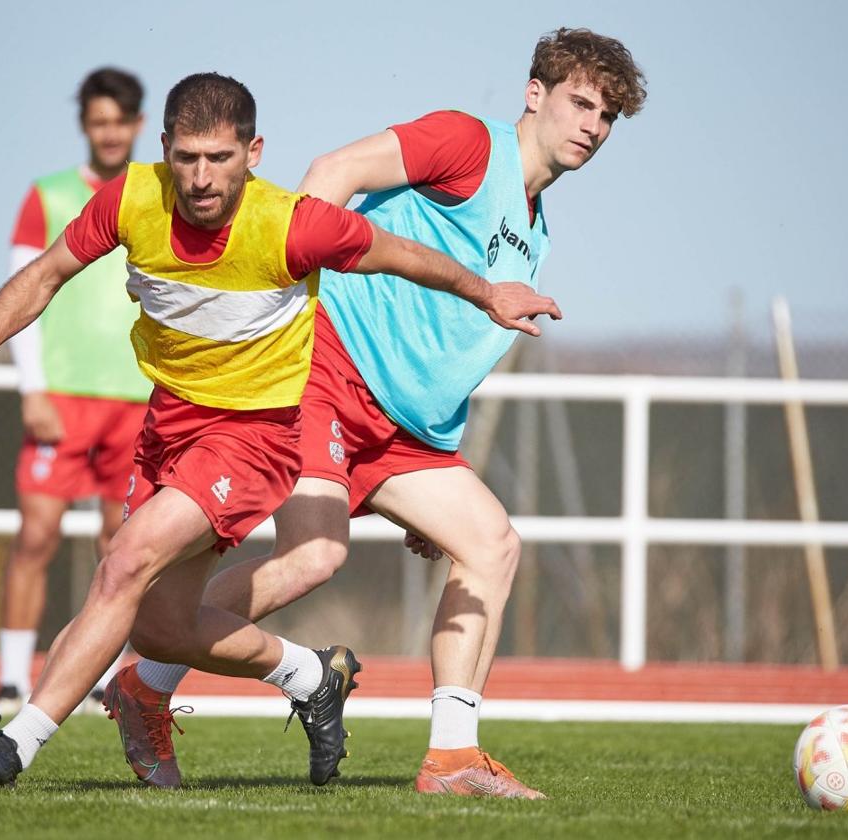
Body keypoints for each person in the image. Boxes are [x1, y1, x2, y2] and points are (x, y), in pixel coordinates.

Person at [0, 72, 560, 789]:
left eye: (220, 159)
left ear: (254, 152)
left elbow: (404, 255)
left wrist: (486, 291)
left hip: (254, 436)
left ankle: (14, 745)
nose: (202, 179)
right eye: (188, 157)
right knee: (160, 624)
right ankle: (309, 676)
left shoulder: (295, 223)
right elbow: (46, 273)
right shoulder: (132, 198)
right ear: (164, 147)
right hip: (169, 424)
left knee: (126, 560)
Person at [119, 28, 646, 798]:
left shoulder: (534, 231)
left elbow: (449, 345)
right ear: (536, 94)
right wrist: (274, 277)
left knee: (492, 545)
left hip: (406, 433)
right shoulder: (468, 145)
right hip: (329, 371)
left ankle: (452, 759)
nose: (592, 126)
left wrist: (421, 493)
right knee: (313, 557)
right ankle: (148, 678)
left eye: (607, 116)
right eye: (581, 102)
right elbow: (334, 172)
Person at [0, 67, 151, 710]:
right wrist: (32, 387)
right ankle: (9, 674)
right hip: (61, 396)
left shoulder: (160, 193)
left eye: (119, 121)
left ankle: (98, 676)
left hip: (139, 395)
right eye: (97, 121)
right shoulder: (49, 194)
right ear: (85, 125)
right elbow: (24, 286)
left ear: (139, 125)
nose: (109, 133)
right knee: (36, 535)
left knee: (121, 546)